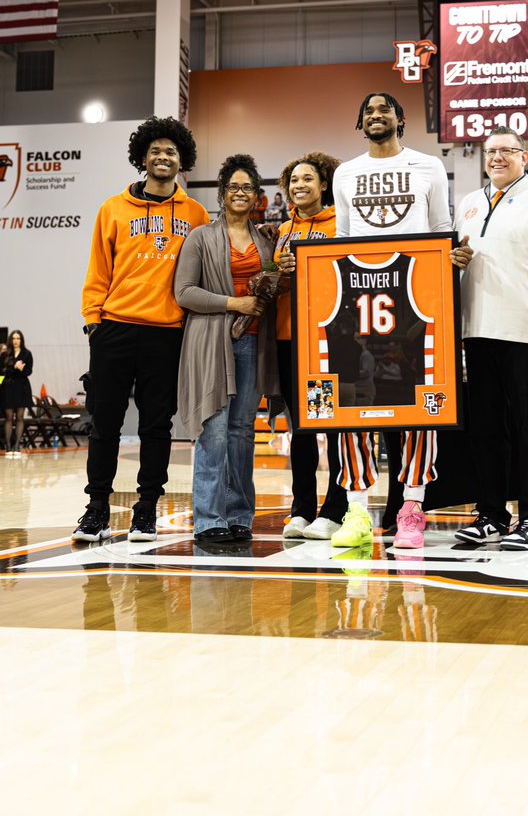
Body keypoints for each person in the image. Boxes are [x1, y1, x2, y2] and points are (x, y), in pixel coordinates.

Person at [72, 117, 209, 543]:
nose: (163, 157)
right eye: (155, 151)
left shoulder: (196, 213)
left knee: (156, 426)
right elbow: (98, 270)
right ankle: (96, 507)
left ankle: (146, 509)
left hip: (167, 334)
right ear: (142, 158)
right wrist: (94, 322)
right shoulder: (112, 209)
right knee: (104, 424)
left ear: (182, 160)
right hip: (114, 329)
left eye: (171, 151)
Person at [328, 93, 456, 550]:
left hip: (414, 297)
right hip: (358, 296)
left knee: (421, 407)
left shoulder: (428, 167)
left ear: (400, 119)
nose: (376, 115)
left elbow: (441, 229)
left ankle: (411, 508)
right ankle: (358, 511)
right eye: (368, 110)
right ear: (360, 122)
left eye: (385, 109)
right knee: (352, 402)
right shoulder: (345, 172)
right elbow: (341, 241)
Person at [451, 128, 528, 550]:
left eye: (507, 150)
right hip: (477, 334)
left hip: (527, 336)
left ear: (525, 157)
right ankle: (491, 515)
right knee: (485, 430)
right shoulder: (468, 203)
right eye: (490, 151)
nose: (497, 157)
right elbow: (455, 267)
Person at [173, 154, 280, 545]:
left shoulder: (266, 239)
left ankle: (239, 516)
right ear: (221, 193)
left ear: (257, 196)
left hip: (254, 343)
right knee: (214, 431)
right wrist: (235, 304)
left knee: (241, 432)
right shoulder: (200, 237)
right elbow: (184, 293)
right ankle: (207, 518)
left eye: (247, 187)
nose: (240, 193)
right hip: (210, 344)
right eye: (233, 186)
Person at [273, 151, 348, 540]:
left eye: (308, 179)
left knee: (330, 424)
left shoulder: (340, 223)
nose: (299, 186)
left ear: (323, 185)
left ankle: (335, 509)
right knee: (299, 427)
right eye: (294, 180)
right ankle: (301, 508)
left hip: (324, 339)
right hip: (287, 339)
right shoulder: (283, 230)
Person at [1, 330, 33, 458]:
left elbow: (29, 371)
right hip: (8, 387)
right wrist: (14, 366)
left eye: (18, 338)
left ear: (21, 340)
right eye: (13, 338)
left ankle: (17, 445)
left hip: (22, 388)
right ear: (10, 340)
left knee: (20, 417)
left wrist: (22, 369)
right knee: (9, 417)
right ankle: (8, 445)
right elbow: (1, 372)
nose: (16, 341)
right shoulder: (4, 354)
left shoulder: (27, 353)